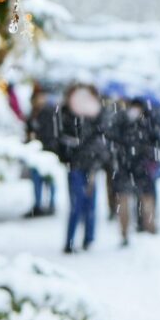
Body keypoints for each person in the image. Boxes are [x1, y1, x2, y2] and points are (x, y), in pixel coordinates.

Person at [58, 84, 108, 253]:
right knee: (77, 204)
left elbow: (101, 139)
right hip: (77, 165)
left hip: (88, 165)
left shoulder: (96, 115)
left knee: (88, 204)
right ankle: (72, 240)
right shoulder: (67, 114)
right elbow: (63, 139)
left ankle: (87, 238)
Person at [111, 98, 160, 245]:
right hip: (125, 168)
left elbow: (157, 143)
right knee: (125, 203)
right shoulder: (121, 122)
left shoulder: (147, 123)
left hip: (141, 168)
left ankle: (149, 229)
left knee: (146, 202)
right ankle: (125, 234)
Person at [25, 86, 59, 217]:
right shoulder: (34, 112)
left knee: (49, 179)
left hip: (47, 150)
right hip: (36, 151)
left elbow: (51, 131)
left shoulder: (48, 112)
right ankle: (38, 204)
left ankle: (50, 204)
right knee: (37, 179)